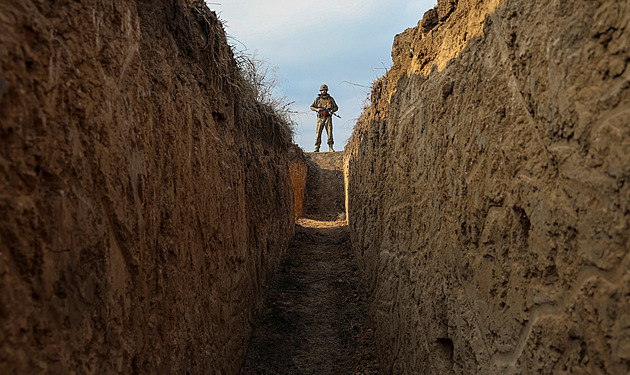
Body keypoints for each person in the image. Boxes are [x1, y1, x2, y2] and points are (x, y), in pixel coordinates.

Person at [310, 84, 338, 152]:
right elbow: (311, 107)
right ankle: (317, 147)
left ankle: (330, 147)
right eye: (322, 90)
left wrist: (332, 111)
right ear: (321, 91)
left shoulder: (330, 99)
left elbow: (336, 107)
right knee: (318, 133)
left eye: (325, 90)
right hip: (320, 118)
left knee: (329, 133)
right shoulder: (318, 99)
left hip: (328, 118)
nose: (324, 91)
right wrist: (317, 110)